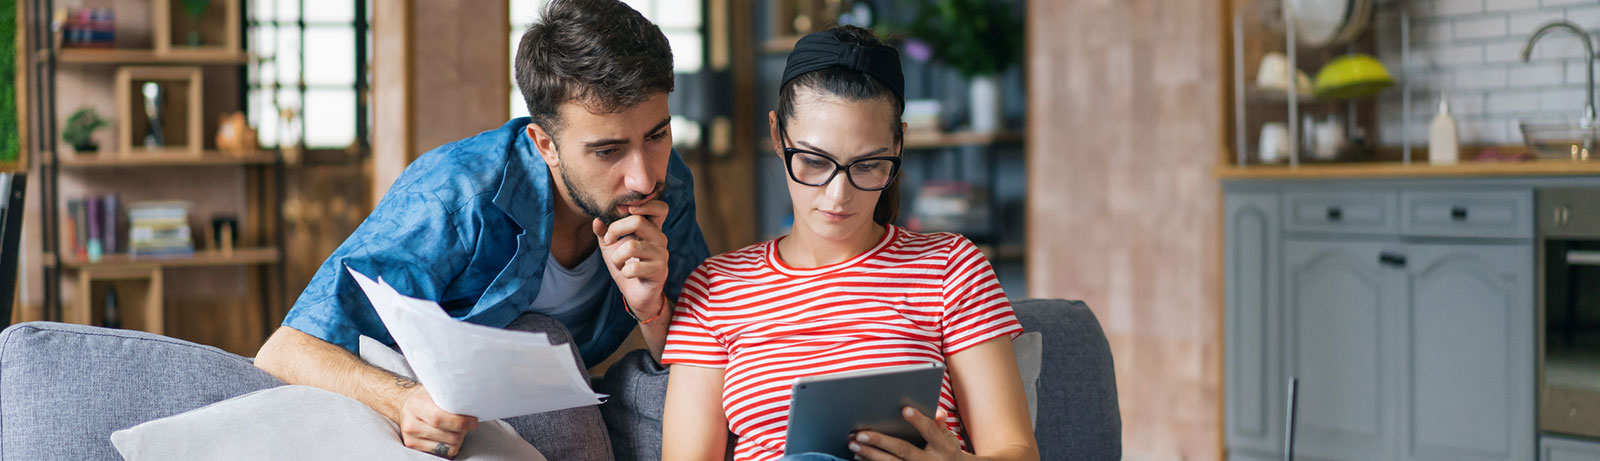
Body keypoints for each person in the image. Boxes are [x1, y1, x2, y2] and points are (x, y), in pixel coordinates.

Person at [252, 0, 709, 457]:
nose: (643, 178)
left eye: (657, 135)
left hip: (561, 399)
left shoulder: (668, 187)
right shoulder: (456, 195)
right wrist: (401, 399)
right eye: (608, 151)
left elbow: (700, 351)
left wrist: (650, 309)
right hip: (433, 413)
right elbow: (285, 350)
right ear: (546, 145)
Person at [658, 25, 1038, 461]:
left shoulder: (951, 266)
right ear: (778, 136)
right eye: (815, 161)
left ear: (899, 144)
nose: (839, 196)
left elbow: (1017, 451)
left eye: (870, 165)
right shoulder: (716, 288)